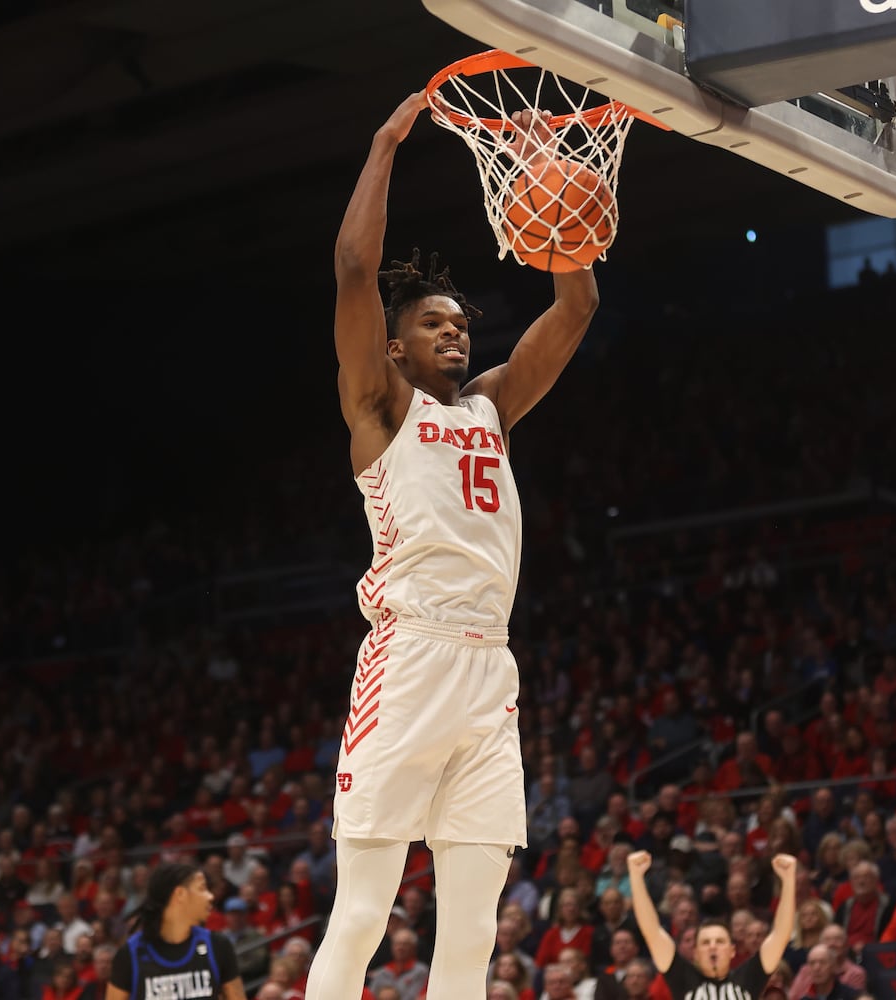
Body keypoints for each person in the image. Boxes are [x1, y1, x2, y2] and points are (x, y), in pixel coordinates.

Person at [307, 91, 600, 1000]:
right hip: (408, 659)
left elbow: (577, 302)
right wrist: (385, 143)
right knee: (362, 913)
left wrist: (563, 208)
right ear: (391, 349)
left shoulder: (491, 406)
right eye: (433, 324)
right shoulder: (381, 410)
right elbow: (356, 268)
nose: (455, 332)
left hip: (487, 668)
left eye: (461, 324)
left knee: (472, 928)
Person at [626, 849, 797, 1000]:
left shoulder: (748, 977)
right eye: (706, 943)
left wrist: (788, 881)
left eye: (720, 942)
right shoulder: (683, 977)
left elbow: (780, 935)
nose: (713, 947)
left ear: (732, 951)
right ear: (696, 953)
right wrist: (636, 876)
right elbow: (652, 932)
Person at [104, 863, 245, 1000]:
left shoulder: (218, 946)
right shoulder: (131, 953)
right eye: (202, 889)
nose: (210, 896)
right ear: (180, 894)